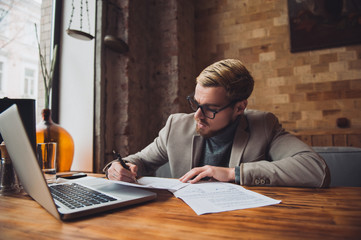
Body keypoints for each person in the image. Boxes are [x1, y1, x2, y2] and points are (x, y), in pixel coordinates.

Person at [104, 59, 330, 187]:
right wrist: (118, 169)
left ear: (239, 108)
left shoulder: (264, 125)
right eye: (195, 103)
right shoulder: (176, 126)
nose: (197, 116)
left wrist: (233, 173)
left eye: (210, 109)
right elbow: (139, 160)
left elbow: (315, 169)